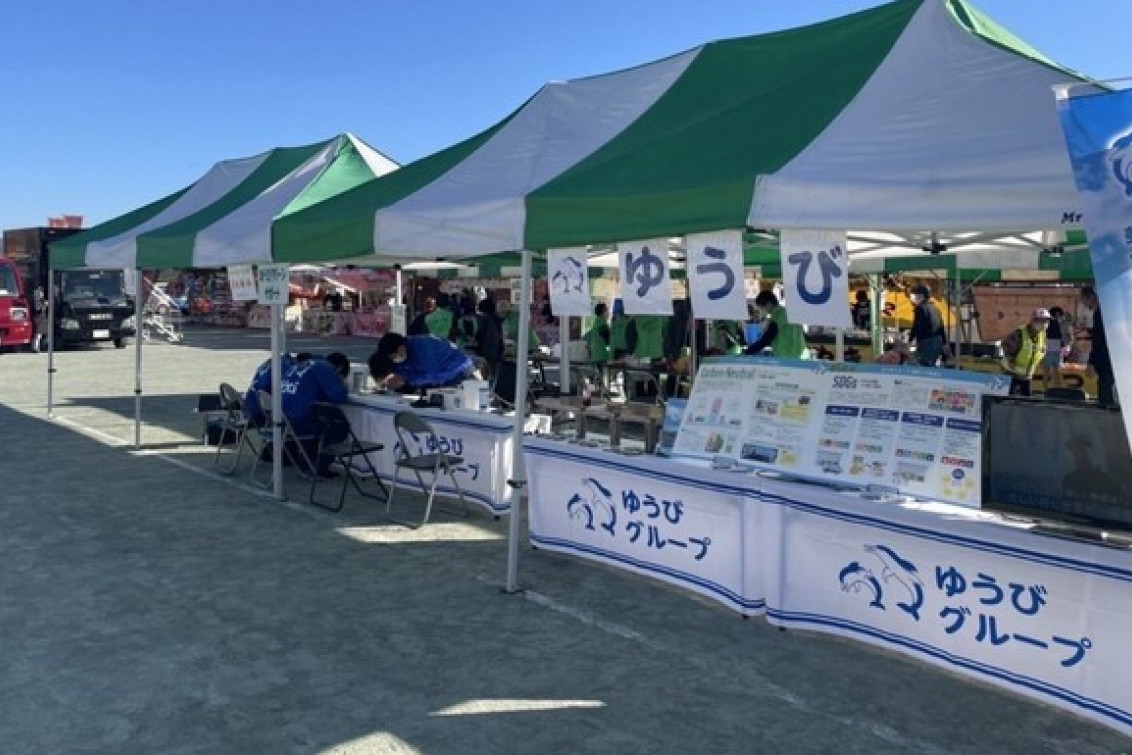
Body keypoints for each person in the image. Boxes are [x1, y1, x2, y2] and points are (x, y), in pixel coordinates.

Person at [279, 352, 351, 477]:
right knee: (338, 426)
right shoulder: (325, 368)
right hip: (299, 421)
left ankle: (305, 463)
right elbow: (339, 396)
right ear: (339, 368)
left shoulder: (301, 365)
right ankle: (319, 466)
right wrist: (343, 386)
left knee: (315, 420)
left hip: (282, 420)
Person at [368, 332, 476, 393]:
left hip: (459, 371)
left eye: (395, 354)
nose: (396, 358)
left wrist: (407, 381)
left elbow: (433, 377)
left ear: (402, 346)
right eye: (392, 357)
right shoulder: (398, 357)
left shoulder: (424, 348)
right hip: (440, 376)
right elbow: (401, 375)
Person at [999, 308, 1051, 397]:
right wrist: (1011, 360)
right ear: (1033, 321)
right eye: (1041, 321)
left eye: (1046, 321)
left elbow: (1040, 351)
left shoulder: (1042, 335)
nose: (1044, 324)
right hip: (1011, 373)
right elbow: (1006, 344)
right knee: (1008, 398)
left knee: (1026, 399)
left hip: (1026, 376)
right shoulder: (1020, 333)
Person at [1081, 286, 1116, 406]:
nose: (1084, 304)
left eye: (1083, 300)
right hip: (1111, 358)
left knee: (1106, 389)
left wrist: (1092, 361)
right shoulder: (1105, 311)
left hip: (1106, 360)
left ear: (1090, 297)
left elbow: (1100, 341)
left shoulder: (1101, 313)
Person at [745, 290, 806, 359]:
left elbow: (766, 339)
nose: (762, 310)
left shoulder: (777, 316)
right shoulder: (788, 313)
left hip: (786, 356)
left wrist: (747, 352)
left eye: (762, 307)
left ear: (769, 304)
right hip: (799, 355)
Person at [908, 283, 945, 367]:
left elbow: (916, 326)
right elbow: (941, 327)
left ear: (921, 296)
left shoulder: (920, 308)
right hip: (937, 341)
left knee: (921, 365)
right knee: (930, 365)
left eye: (913, 295)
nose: (911, 297)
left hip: (927, 342)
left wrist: (910, 340)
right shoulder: (935, 308)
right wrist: (944, 343)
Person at [1041, 306, 1073, 390]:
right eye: (1055, 315)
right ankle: (1046, 390)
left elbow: (1070, 337)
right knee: (1048, 372)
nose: (1056, 317)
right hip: (1049, 350)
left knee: (1056, 372)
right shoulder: (1047, 323)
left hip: (1057, 351)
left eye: (1058, 315)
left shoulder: (1063, 324)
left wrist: (1066, 346)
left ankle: (1055, 390)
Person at [473, 297, 504, 380]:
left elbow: (479, 332)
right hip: (497, 348)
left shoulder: (483, 319)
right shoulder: (497, 319)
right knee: (494, 372)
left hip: (485, 348)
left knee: (485, 371)